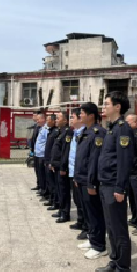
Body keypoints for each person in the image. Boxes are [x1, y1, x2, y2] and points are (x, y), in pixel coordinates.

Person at [96, 91, 134, 272]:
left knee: (119, 228)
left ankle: (123, 267)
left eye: (107, 104)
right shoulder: (112, 128)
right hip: (106, 185)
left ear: (118, 107)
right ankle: (114, 260)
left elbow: (124, 161)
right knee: (110, 227)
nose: (104, 107)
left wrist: (120, 188)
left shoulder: (123, 128)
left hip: (114, 186)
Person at [75, 103, 107, 260]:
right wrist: (77, 177)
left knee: (95, 213)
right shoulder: (85, 132)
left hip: (90, 181)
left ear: (91, 115)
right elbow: (81, 158)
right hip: (81, 179)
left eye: (82, 113)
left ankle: (99, 246)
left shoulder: (98, 132)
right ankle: (92, 238)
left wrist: (92, 183)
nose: (80, 115)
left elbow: (95, 160)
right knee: (88, 212)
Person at [60, 108, 88, 240]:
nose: (71, 120)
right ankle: (81, 221)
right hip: (73, 171)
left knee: (83, 202)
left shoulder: (85, 133)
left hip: (80, 173)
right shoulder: (75, 132)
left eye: (73, 117)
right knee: (77, 200)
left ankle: (86, 227)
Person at [49, 111, 70, 222]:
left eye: (58, 118)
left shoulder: (67, 133)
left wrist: (62, 167)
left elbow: (65, 153)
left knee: (64, 191)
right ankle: (61, 210)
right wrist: (53, 163)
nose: (56, 120)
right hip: (56, 166)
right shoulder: (60, 132)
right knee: (59, 189)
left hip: (62, 168)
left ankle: (65, 213)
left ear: (65, 120)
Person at [43, 114, 59, 209]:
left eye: (48, 120)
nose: (47, 122)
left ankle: (55, 202)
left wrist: (51, 162)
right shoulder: (50, 131)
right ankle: (51, 199)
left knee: (53, 184)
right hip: (47, 160)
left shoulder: (56, 132)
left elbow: (54, 150)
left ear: (53, 121)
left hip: (51, 162)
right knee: (49, 182)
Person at [35, 113, 49, 201]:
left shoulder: (46, 129)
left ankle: (45, 193)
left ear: (43, 119)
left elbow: (48, 143)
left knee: (44, 176)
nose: (37, 121)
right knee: (40, 174)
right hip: (39, 154)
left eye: (38, 119)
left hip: (43, 155)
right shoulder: (42, 128)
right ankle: (42, 190)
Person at [30, 111, 41, 191]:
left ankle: (41, 185)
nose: (33, 117)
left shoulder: (40, 127)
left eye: (34, 115)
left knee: (39, 170)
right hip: (35, 151)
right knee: (36, 169)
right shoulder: (35, 126)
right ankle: (39, 184)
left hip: (39, 152)